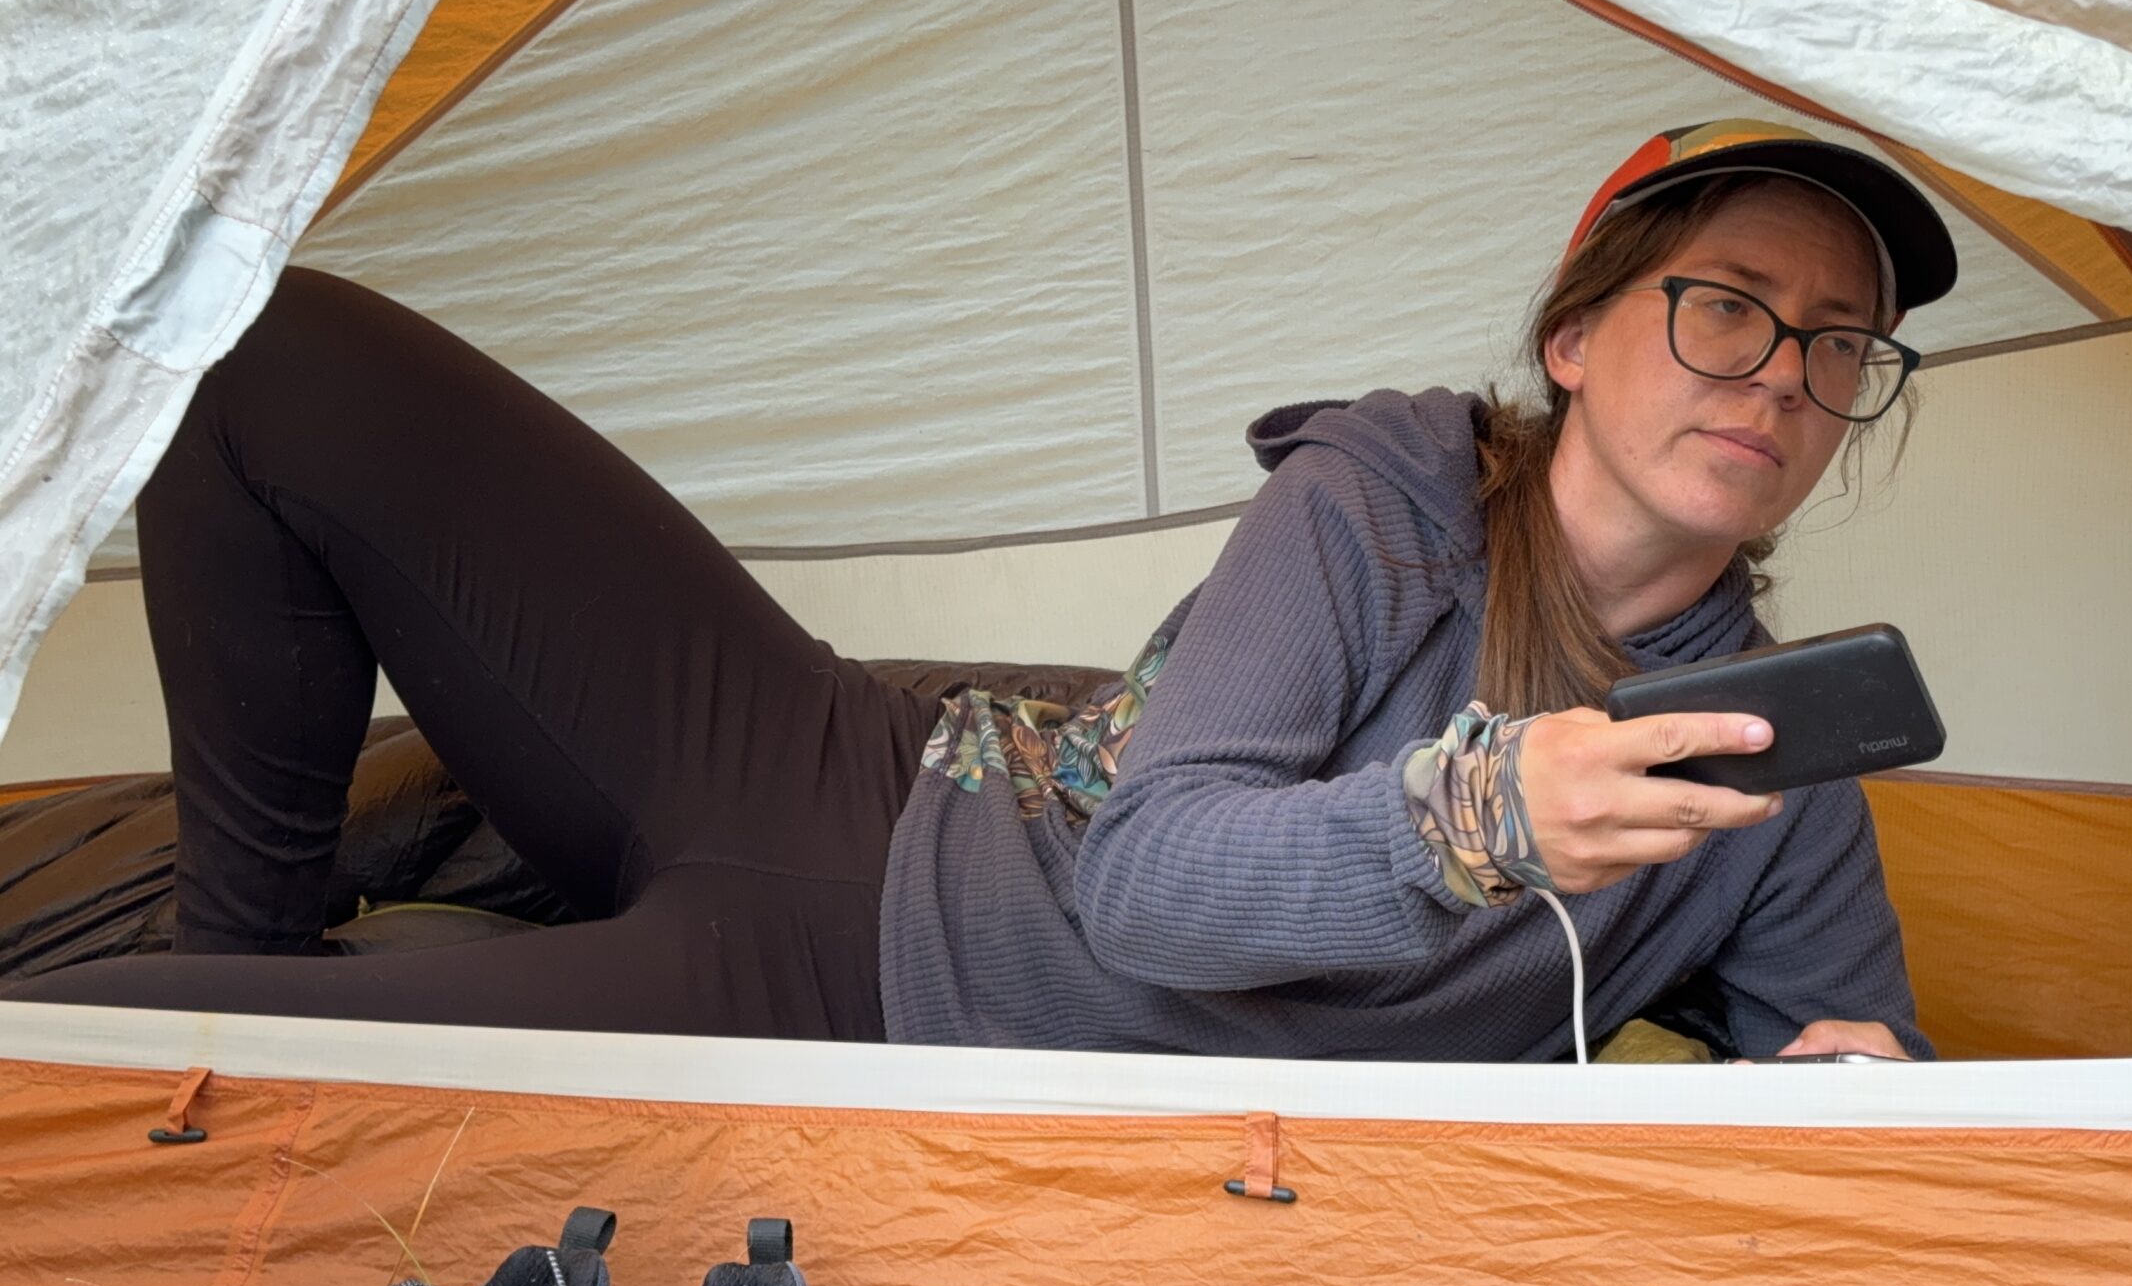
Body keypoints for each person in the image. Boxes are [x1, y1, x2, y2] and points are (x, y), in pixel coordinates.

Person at [7, 119, 1957, 1060]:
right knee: (266, 343)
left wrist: (1856, 1092)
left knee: (90, 1073)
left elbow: (1843, 1102)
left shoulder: (1765, 765)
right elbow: (1155, 875)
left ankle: (253, 1008)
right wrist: (1477, 814)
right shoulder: (1389, 494)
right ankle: (253, 932)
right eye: (1724, 308)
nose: (1777, 373)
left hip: (859, 995)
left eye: (1833, 346)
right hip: (831, 772)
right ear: (1575, 334)